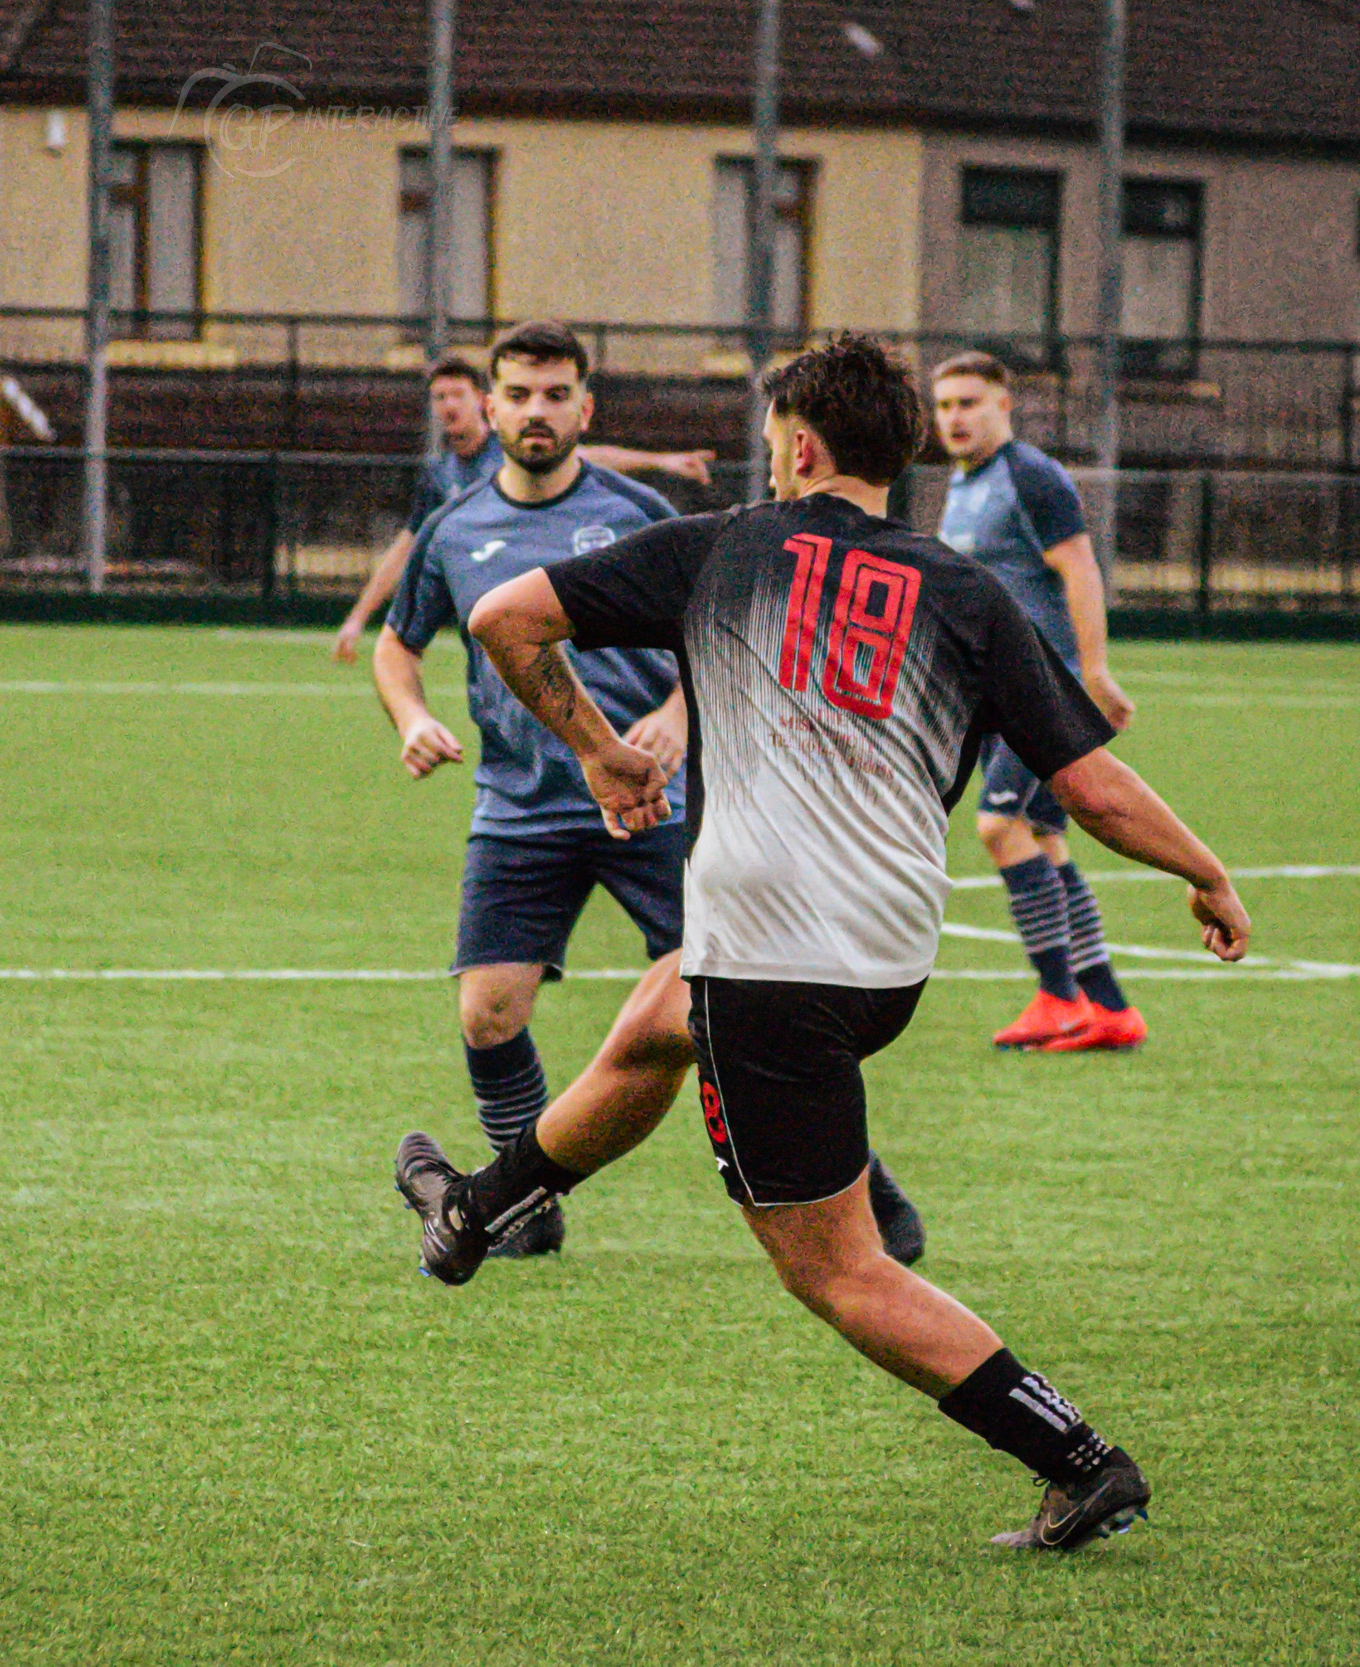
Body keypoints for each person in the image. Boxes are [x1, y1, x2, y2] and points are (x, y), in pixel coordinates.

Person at [395, 333, 1251, 1550]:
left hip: (770, 964)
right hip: (886, 957)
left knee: (836, 1271)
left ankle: (1080, 1457)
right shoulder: (963, 588)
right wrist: (1206, 871)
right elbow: (1093, 782)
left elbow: (500, 620)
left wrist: (599, 750)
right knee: (652, 1018)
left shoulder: (728, 544)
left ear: (798, 443)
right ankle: (480, 1211)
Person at [373, 319, 924, 1264]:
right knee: (488, 1011)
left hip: (651, 800)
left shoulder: (636, 512)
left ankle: (866, 1189)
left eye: (557, 395)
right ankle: (526, 1207)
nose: (536, 411)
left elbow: (723, 632)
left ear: (586, 407)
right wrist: (412, 716)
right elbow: (398, 644)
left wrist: (674, 711)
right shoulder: (452, 527)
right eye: (519, 394)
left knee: (734, 1002)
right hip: (520, 806)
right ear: (490, 407)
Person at [931, 352, 1141, 1051]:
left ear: (1004, 406)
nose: (955, 417)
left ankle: (1057, 996)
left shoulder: (1030, 476)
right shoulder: (964, 484)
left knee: (998, 825)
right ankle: (1107, 1005)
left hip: (1042, 688)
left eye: (969, 402)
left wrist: (1095, 671)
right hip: (994, 695)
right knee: (1044, 834)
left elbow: (1078, 565)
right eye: (945, 405)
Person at [330, 358, 715, 663]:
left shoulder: (516, 450)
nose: (448, 405)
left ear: (483, 403)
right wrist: (357, 619)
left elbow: (588, 457)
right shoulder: (439, 474)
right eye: (439, 397)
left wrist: (663, 462)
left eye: (457, 394)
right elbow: (407, 547)